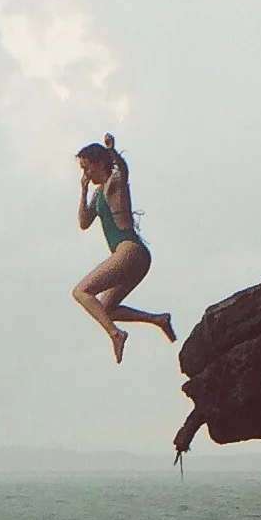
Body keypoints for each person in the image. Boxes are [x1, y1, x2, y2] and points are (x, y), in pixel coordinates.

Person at [73, 135, 175, 363]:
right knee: (105, 309)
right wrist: (83, 191)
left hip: (129, 251)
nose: (85, 174)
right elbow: (83, 223)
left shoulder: (114, 183)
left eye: (87, 167)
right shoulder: (98, 193)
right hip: (135, 259)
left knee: (81, 291)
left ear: (99, 163)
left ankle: (115, 334)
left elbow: (123, 170)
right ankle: (158, 319)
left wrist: (112, 151)